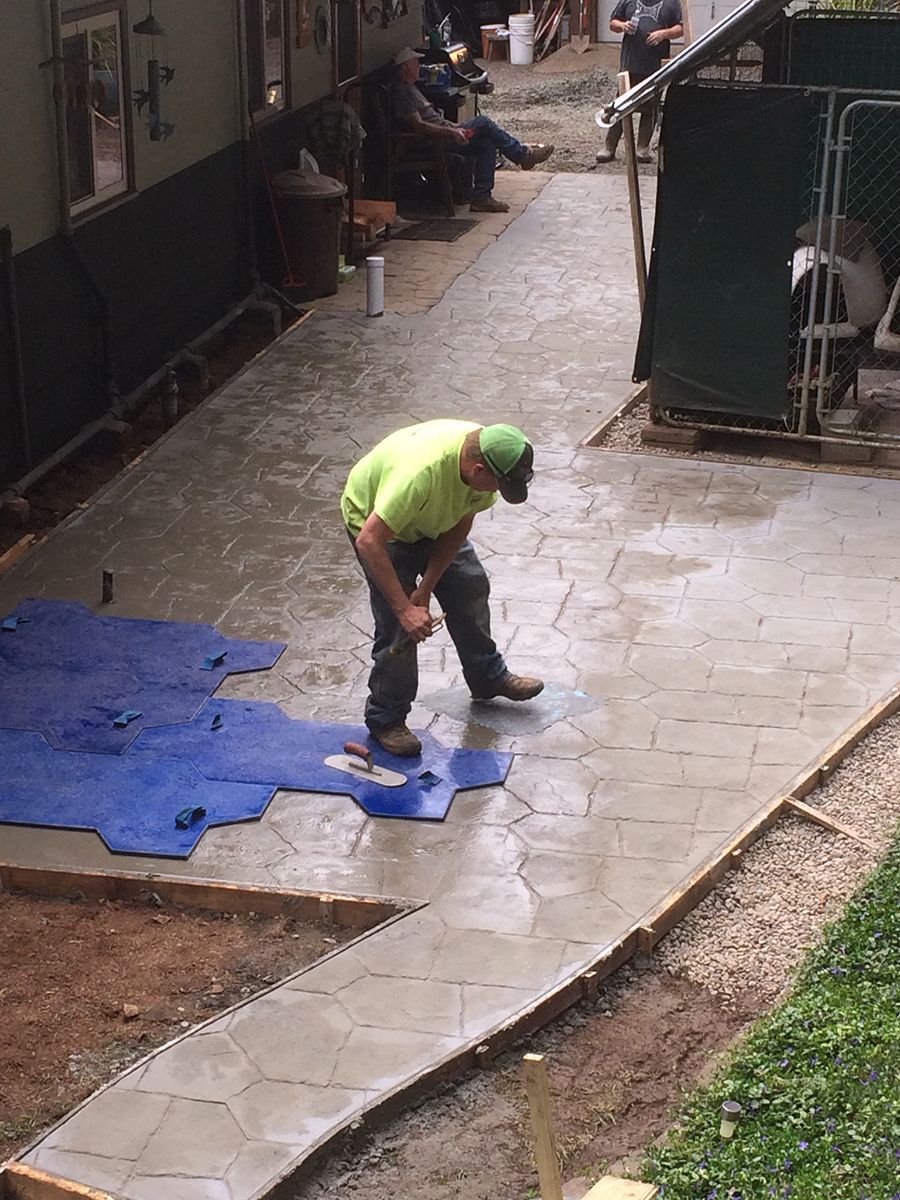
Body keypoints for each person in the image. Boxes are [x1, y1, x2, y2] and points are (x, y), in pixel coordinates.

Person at [341, 420, 544, 757]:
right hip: (378, 527)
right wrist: (406, 608)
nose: (496, 492)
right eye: (497, 484)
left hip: (431, 520)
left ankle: (487, 677)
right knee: (399, 626)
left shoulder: (488, 453)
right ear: (478, 469)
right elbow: (370, 540)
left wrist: (429, 584)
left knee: (469, 585)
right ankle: (386, 718)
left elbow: (462, 518)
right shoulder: (420, 475)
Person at [390, 46, 554, 214]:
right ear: (405, 67)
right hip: (432, 142)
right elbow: (420, 126)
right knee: (483, 122)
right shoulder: (402, 91)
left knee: (487, 141)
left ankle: (482, 197)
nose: (419, 65)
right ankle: (522, 155)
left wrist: (453, 126)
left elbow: (432, 118)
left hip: (443, 134)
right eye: (415, 62)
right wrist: (452, 133)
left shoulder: (412, 87)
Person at [596, 0, 683, 164]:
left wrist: (663, 34)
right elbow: (613, 22)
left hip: (655, 65)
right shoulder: (629, 1)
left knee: (651, 107)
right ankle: (609, 147)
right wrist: (623, 26)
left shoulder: (671, 3)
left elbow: (680, 28)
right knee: (620, 105)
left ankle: (642, 148)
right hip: (630, 63)